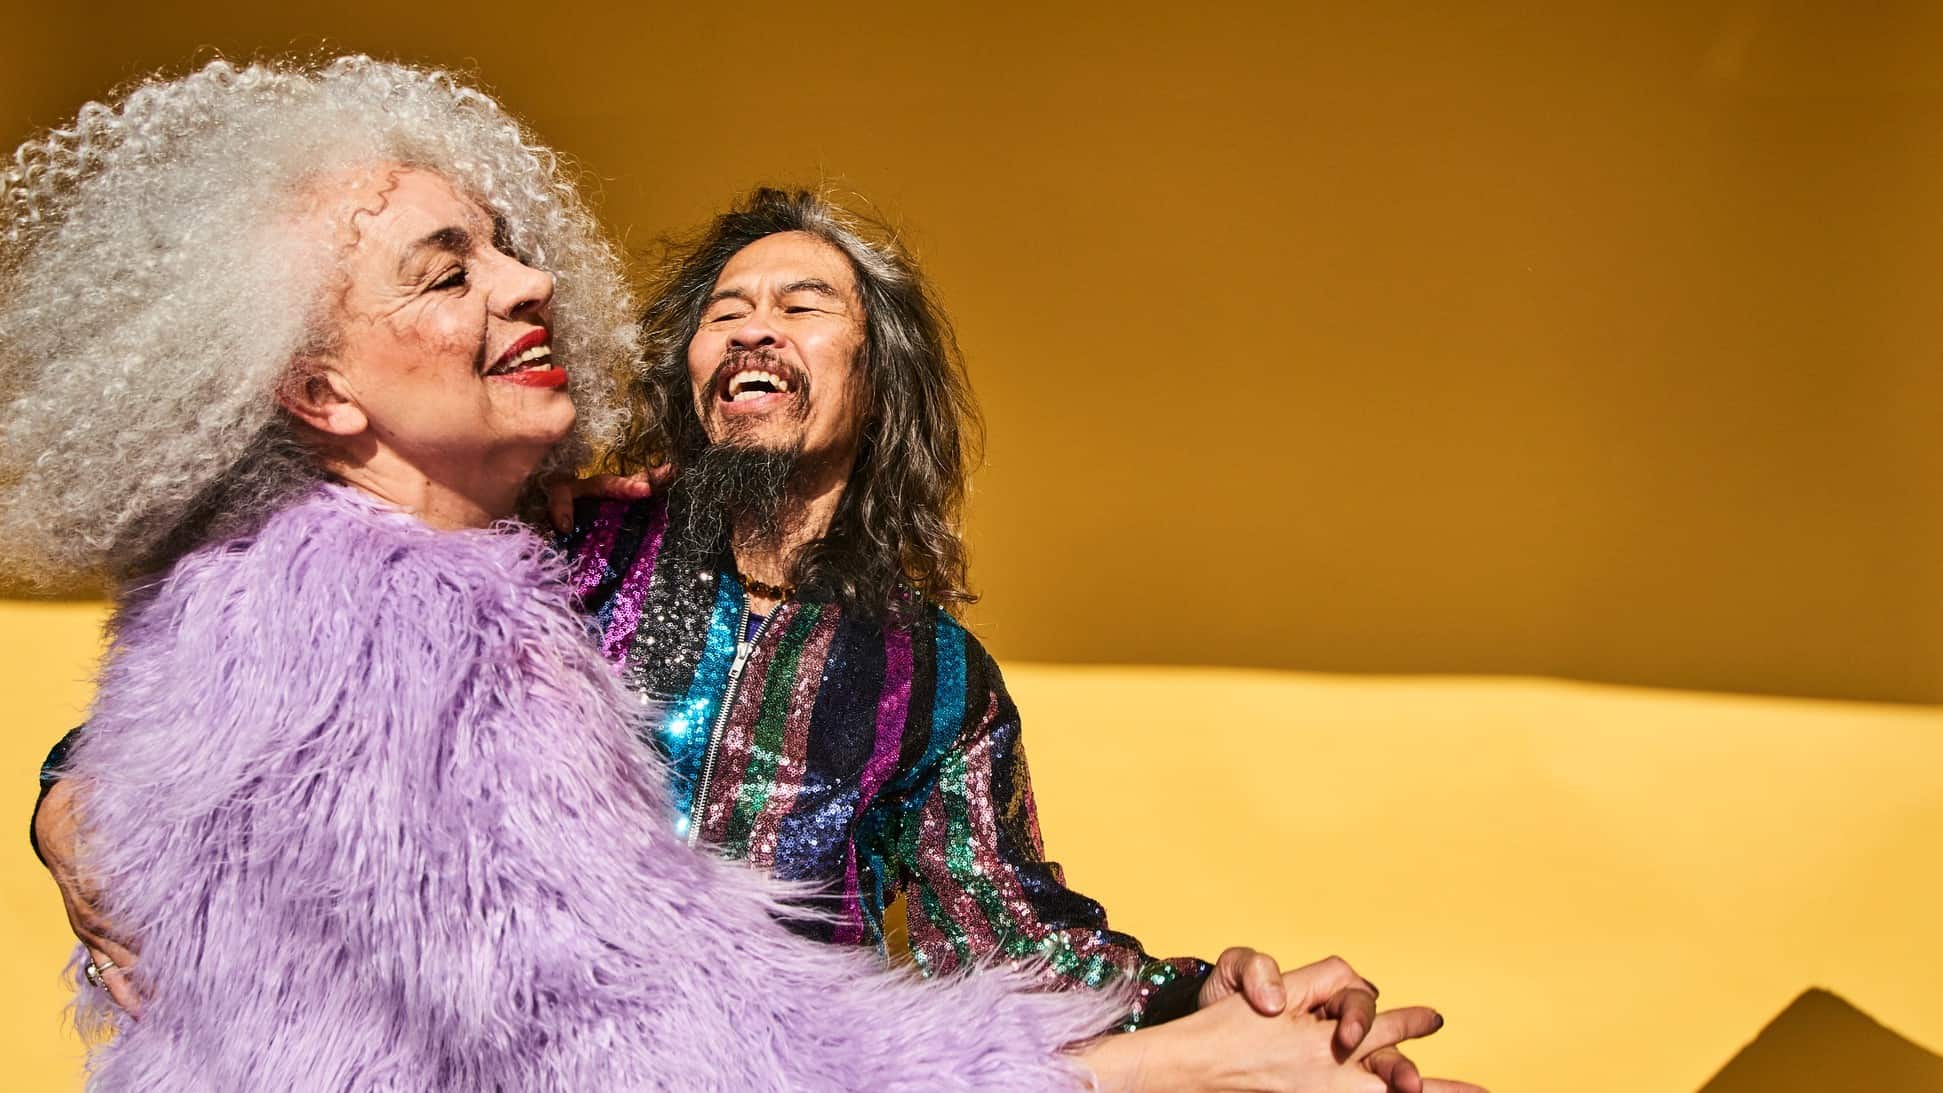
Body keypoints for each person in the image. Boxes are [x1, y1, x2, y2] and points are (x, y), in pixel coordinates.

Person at [10, 56, 1475, 1091]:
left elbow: (1011, 926)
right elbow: (269, 713)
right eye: (725, 306)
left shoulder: (938, 680)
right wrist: (69, 800)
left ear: (878, 376)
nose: (754, 324)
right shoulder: (540, 543)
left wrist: (1202, 998)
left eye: (804, 301)